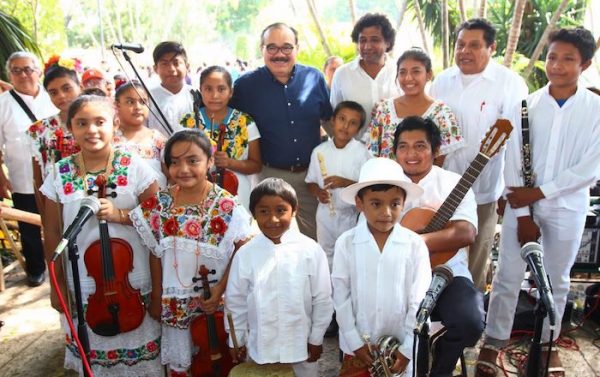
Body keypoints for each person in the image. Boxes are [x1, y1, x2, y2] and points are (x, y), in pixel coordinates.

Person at [477, 27, 600, 377]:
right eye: (552, 57)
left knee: (557, 279)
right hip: (522, 209)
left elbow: (590, 168)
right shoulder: (525, 106)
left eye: (568, 59)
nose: (557, 66)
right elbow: (511, 163)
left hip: (569, 208)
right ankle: (493, 341)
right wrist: (523, 211)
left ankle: (547, 344)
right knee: (507, 276)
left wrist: (541, 193)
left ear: (585, 63)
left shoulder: (596, 110)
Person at [40, 94, 162, 376]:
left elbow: (158, 219)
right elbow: (53, 231)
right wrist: (56, 284)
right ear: (70, 127)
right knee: (93, 360)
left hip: (132, 280)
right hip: (83, 282)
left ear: (114, 124)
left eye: (100, 122)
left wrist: (121, 215)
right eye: (82, 123)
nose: (91, 130)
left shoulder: (134, 166)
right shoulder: (60, 173)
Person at [130, 129, 252, 376]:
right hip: (175, 302)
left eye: (193, 161)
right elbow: (155, 253)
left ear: (209, 161)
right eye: (174, 162)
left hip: (217, 302)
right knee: (183, 366)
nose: (183, 169)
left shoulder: (227, 205)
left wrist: (219, 290)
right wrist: (156, 297)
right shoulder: (159, 204)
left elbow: (243, 252)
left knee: (223, 361)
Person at [430, 18, 528, 291]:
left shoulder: (510, 84)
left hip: (483, 191)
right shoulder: (442, 81)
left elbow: (517, 141)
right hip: (441, 190)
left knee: (476, 258)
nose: (464, 51)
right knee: (437, 254)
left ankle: (467, 320)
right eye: (461, 44)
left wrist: (510, 191)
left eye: (474, 45)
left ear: (492, 47)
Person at [394, 116, 484, 377]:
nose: (411, 154)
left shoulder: (453, 182)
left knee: (470, 322)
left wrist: (417, 242)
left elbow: (466, 232)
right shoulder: (386, 182)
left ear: (435, 150)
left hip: (447, 274)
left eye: (420, 146)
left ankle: (440, 369)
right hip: (397, 276)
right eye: (403, 146)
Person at [230, 22, 332, 240]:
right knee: (272, 239)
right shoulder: (245, 86)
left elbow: (329, 121)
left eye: (286, 47)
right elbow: (231, 126)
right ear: (262, 50)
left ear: (297, 48)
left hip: (311, 177)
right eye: (272, 47)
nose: (279, 54)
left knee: (317, 239)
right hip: (269, 174)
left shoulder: (314, 79)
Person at [226, 177, 333, 377]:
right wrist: (236, 340)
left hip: (301, 348)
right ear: (254, 214)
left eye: (281, 210)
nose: (273, 219)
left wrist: (316, 338)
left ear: (294, 210)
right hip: (260, 348)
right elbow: (235, 302)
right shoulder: (246, 254)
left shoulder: (311, 250)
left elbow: (323, 298)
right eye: (264, 211)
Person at [333, 157, 429, 376]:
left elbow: (420, 301)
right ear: (360, 203)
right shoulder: (346, 243)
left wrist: (407, 349)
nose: (386, 213)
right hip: (357, 347)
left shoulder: (415, 245)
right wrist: (354, 341)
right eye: (376, 203)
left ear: (404, 203)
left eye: (394, 203)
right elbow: (341, 296)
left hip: (401, 349)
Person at [0, 51, 58, 287]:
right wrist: (1, 179)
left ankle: (63, 266)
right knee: (29, 227)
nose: (23, 74)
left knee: (60, 222)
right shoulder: (2, 104)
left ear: (38, 72)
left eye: (28, 69)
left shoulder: (53, 97)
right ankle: (36, 269)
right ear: (9, 75)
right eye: (16, 70)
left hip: (57, 177)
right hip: (22, 178)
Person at [179, 66, 262, 209]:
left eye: (221, 89)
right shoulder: (189, 122)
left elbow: (256, 165)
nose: (215, 95)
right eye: (208, 89)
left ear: (231, 92)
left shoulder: (245, 122)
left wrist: (230, 163)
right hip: (196, 197)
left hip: (237, 197)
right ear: (201, 90)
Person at [367, 48, 464, 165]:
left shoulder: (441, 113)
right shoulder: (384, 110)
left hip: (425, 183)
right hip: (386, 181)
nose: (408, 78)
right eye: (402, 72)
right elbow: (374, 155)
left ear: (429, 75)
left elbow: (439, 161)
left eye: (416, 71)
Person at [306, 100, 372, 269]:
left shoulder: (363, 153)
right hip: (325, 216)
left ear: (358, 129)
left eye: (353, 123)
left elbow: (369, 187)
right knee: (325, 257)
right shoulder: (319, 151)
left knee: (349, 257)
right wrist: (318, 192)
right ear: (333, 121)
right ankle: (328, 293)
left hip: (350, 216)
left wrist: (345, 183)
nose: (345, 126)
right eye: (342, 119)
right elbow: (311, 182)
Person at [330, 13, 400, 140]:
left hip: (393, 152)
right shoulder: (343, 74)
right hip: (353, 153)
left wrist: (391, 108)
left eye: (375, 40)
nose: (367, 46)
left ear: (388, 43)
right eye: (362, 40)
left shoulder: (400, 72)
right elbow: (334, 115)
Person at [26, 55, 83, 208]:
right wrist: (45, 217)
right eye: (53, 92)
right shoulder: (39, 130)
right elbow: (38, 180)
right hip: (56, 206)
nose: (61, 96)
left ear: (80, 85)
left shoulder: (98, 124)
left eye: (66, 88)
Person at [114, 80, 168, 187]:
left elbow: (169, 174)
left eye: (143, 102)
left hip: (155, 199)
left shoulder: (157, 139)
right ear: (117, 106)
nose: (138, 107)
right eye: (130, 102)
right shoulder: (109, 138)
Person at [148, 41, 194, 136]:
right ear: (156, 69)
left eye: (176, 63)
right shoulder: (147, 97)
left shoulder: (196, 95)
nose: (171, 69)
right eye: (164, 64)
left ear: (187, 66)